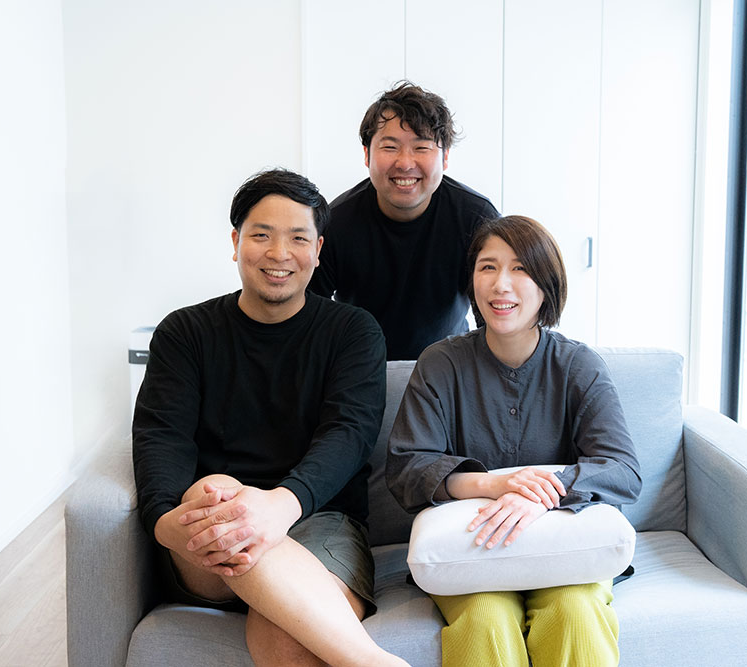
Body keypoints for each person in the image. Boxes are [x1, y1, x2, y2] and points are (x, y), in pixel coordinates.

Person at [132, 168, 407, 667]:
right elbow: (161, 436)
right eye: (261, 235)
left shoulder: (353, 332)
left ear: (317, 250)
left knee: (289, 640)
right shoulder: (185, 332)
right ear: (236, 242)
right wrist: (162, 521)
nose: (280, 254)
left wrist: (282, 504)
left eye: (298, 238)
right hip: (208, 532)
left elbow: (349, 433)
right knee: (218, 490)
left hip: (319, 520)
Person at [386, 215, 643, 667]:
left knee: (575, 614)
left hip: (566, 551)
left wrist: (541, 492)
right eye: (488, 267)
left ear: (547, 286)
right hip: (472, 551)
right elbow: (407, 467)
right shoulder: (441, 363)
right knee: (484, 619)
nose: (500, 284)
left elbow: (623, 470)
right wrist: (492, 485)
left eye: (520, 268)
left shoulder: (579, 366)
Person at [308, 81, 499, 361]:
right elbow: (311, 315)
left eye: (421, 147)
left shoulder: (476, 217)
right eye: (390, 147)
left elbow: (495, 308)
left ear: (445, 157)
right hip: (359, 364)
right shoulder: (336, 222)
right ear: (367, 154)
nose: (405, 163)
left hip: (450, 364)